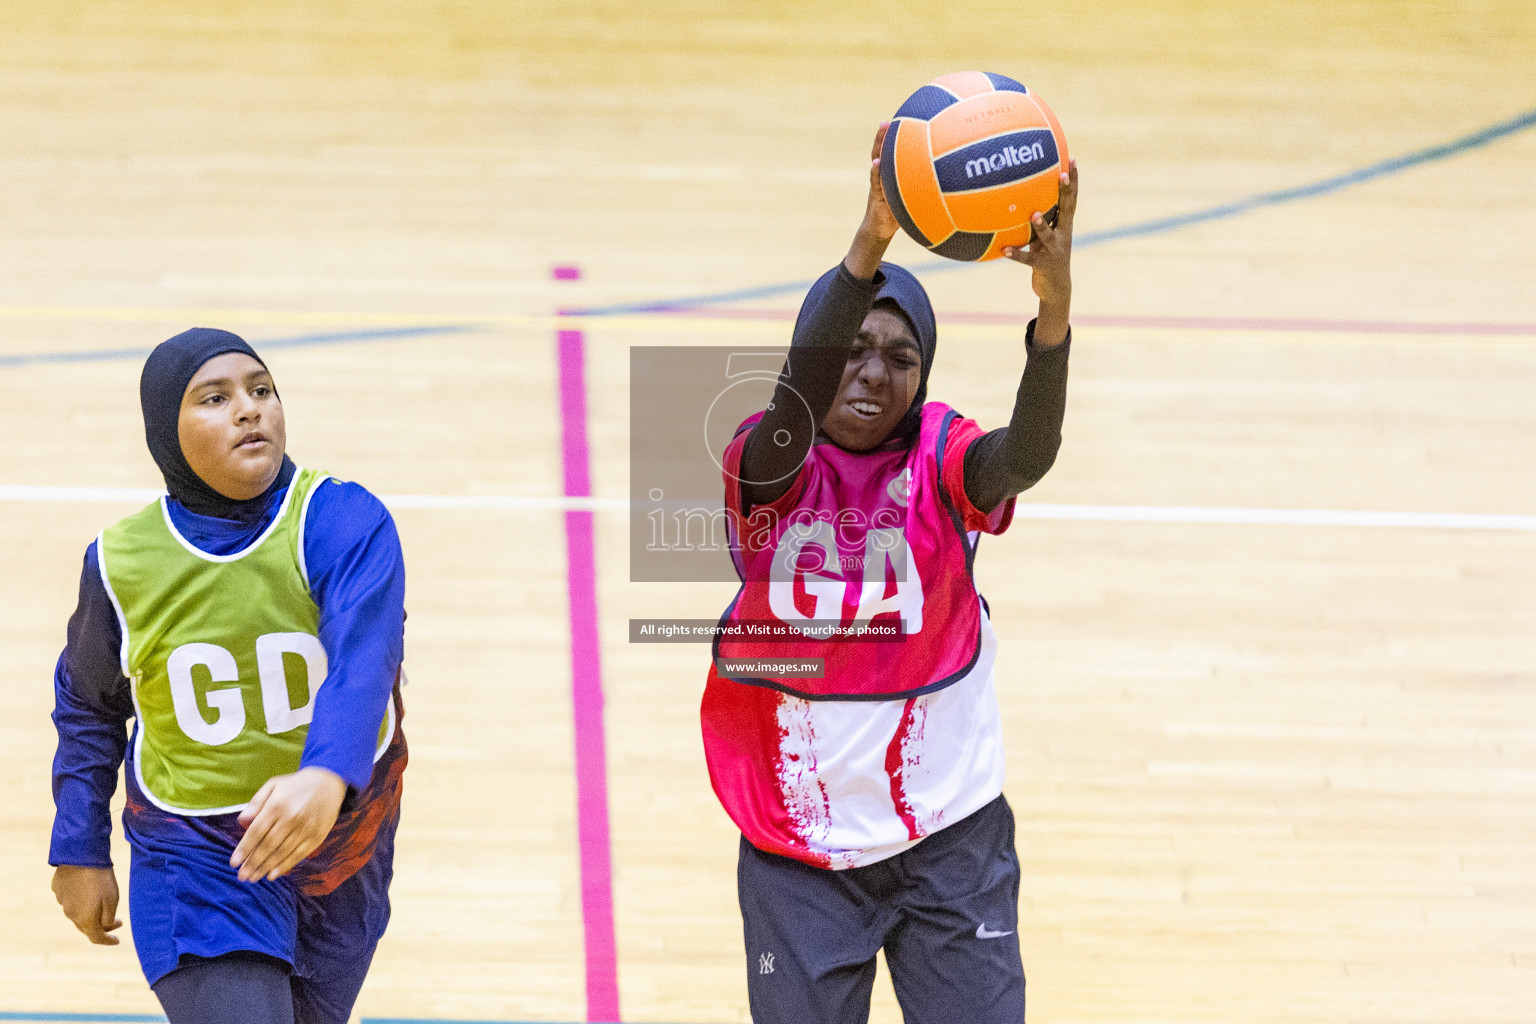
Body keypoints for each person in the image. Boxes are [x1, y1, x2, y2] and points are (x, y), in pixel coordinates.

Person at [701, 124, 1078, 1024]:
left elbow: (1023, 458)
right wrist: (870, 242)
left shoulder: (943, 453)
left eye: (900, 359)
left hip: (950, 833)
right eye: (855, 351)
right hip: (802, 848)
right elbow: (801, 382)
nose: (871, 375)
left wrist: (1053, 309)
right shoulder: (769, 462)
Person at [48, 328, 408, 1024]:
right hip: (197, 852)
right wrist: (79, 846)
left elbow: (365, 660)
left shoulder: (340, 519)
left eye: (261, 390)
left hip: (343, 843)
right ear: (167, 434)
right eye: (215, 398)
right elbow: (89, 704)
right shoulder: (121, 563)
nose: (250, 410)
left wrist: (325, 775)